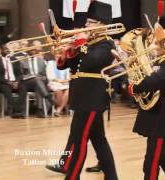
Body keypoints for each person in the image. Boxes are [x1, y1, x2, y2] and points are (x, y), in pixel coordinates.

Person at [45, 2, 118, 179]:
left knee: (79, 139)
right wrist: (64, 54)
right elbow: (72, 66)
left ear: (101, 24)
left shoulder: (106, 44)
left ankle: (72, 175)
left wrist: (80, 42)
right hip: (83, 97)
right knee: (98, 140)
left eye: (90, 22)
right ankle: (112, 176)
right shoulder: (90, 42)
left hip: (92, 97)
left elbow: (93, 61)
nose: (86, 25)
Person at [128, 16, 165, 180]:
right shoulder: (164, 60)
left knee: (151, 163)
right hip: (158, 120)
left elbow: (156, 80)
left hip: (161, 121)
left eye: (159, 39)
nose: (154, 43)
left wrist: (135, 87)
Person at [0, 44, 27, 118]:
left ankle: (16, 111)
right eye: (5, 49)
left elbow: (19, 74)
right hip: (2, 83)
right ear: (2, 51)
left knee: (23, 88)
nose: (7, 50)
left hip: (14, 82)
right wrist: (8, 82)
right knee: (7, 89)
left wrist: (17, 82)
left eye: (8, 49)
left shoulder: (14, 60)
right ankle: (17, 111)